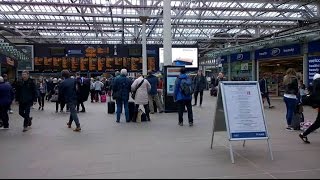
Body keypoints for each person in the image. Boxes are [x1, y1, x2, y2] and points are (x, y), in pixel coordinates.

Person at [299, 71, 320, 143]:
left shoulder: (315, 82)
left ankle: (303, 134)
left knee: (318, 123)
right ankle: (303, 134)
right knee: (318, 123)